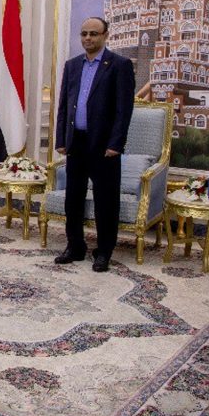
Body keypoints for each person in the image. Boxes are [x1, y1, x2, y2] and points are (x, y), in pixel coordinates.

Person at [54, 17, 135, 273]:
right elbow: (64, 105)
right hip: (76, 141)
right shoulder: (72, 65)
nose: (88, 38)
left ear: (105, 35)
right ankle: (75, 246)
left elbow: (124, 109)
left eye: (93, 34)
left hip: (104, 145)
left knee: (105, 201)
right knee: (73, 197)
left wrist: (116, 143)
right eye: (84, 33)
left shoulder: (119, 65)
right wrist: (61, 139)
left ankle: (104, 251)